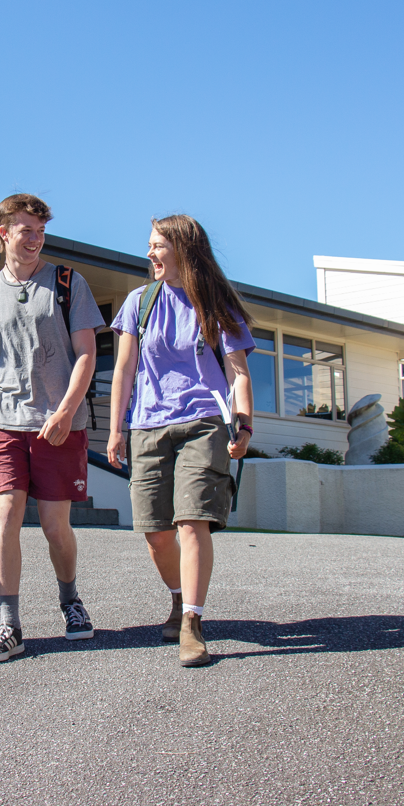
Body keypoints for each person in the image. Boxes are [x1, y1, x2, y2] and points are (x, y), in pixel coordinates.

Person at [106, 215, 255, 667]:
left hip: (204, 423)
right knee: (155, 533)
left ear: (183, 249)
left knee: (192, 521)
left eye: (158, 245)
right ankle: (177, 595)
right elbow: (124, 370)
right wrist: (116, 428)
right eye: (150, 245)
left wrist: (244, 425)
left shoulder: (215, 303)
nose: (150, 253)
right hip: (148, 425)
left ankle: (192, 621)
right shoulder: (139, 302)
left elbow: (238, 374)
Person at [0, 194, 105, 663]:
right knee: (5, 517)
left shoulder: (67, 283)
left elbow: (87, 353)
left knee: (54, 526)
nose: (36, 239)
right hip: (2, 420)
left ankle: (70, 599)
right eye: (27, 230)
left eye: (41, 232)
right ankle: (9, 625)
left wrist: (65, 411)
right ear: (4, 232)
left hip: (57, 424)